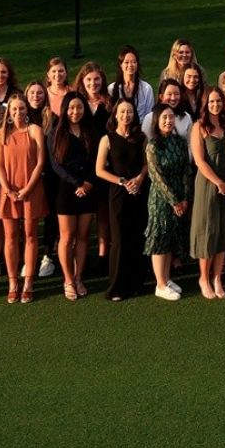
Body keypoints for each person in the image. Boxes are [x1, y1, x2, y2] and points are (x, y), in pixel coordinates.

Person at [96, 100, 149, 301]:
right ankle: (116, 286)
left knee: (137, 236)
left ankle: (136, 283)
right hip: (118, 194)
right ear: (116, 115)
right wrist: (121, 181)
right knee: (119, 239)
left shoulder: (140, 138)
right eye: (122, 111)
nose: (126, 115)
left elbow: (146, 164)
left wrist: (139, 179)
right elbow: (99, 170)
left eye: (130, 111)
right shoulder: (107, 139)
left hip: (138, 191)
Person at [0, 97, 47, 304]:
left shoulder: (34, 130)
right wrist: (8, 190)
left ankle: (28, 282)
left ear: (27, 110)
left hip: (31, 189)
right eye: (14, 109)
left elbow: (40, 162)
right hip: (8, 191)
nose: (18, 112)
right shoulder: (1, 134)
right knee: (10, 236)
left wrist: (27, 189)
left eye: (22, 108)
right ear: (9, 112)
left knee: (30, 235)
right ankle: (12, 282)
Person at [50, 95, 100, 300]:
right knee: (67, 236)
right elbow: (56, 164)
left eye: (79, 107)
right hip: (66, 189)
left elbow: (97, 159)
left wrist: (87, 182)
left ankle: (79, 277)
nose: (75, 112)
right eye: (71, 108)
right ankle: (68, 279)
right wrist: (76, 183)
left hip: (88, 188)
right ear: (65, 109)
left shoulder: (91, 131)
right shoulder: (56, 132)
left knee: (83, 235)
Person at [188, 88, 225, 299]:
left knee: (223, 229)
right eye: (211, 101)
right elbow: (199, 160)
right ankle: (203, 278)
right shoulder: (199, 127)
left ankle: (217, 277)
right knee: (207, 229)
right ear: (205, 104)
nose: (215, 104)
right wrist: (218, 182)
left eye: (219, 101)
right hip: (208, 185)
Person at [144, 105, 194, 301]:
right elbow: (156, 176)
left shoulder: (179, 142)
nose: (168, 121)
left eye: (171, 117)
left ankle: (167, 278)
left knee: (172, 237)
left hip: (179, 196)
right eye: (164, 117)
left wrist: (184, 197)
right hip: (161, 198)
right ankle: (160, 284)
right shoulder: (153, 145)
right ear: (157, 120)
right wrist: (174, 200)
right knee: (160, 239)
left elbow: (185, 171)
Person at [108, 46, 156, 124]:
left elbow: (149, 116)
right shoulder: (111, 89)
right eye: (126, 62)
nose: (130, 65)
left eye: (134, 62)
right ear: (121, 65)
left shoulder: (146, 88)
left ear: (137, 64)